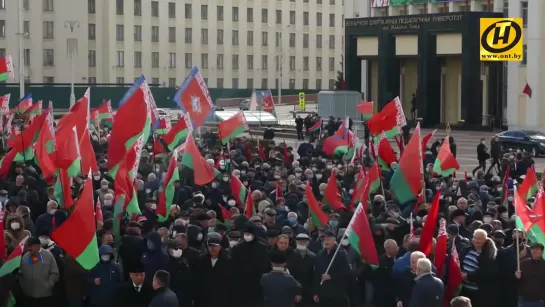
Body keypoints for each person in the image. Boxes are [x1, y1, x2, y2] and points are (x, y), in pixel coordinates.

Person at [18, 236, 59, 307]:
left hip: (44, 295)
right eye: (28, 246)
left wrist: (49, 285)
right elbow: (21, 274)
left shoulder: (48, 255)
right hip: (29, 295)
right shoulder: (25, 257)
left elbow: (54, 272)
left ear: (38, 245)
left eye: (31, 246)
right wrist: (24, 287)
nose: (29, 248)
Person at [313, 230, 351, 306]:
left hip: (337, 294)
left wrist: (331, 276)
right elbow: (316, 274)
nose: (326, 242)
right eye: (324, 240)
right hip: (323, 294)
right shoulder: (320, 254)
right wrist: (315, 292)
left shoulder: (341, 254)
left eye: (328, 239)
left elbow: (347, 272)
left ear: (334, 240)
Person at [515, 242, 545, 307]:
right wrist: (517, 277)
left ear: (542, 252)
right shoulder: (523, 263)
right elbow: (515, 280)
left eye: (537, 249)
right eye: (532, 249)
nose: (534, 251)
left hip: (540, 300)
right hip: (524, 300)